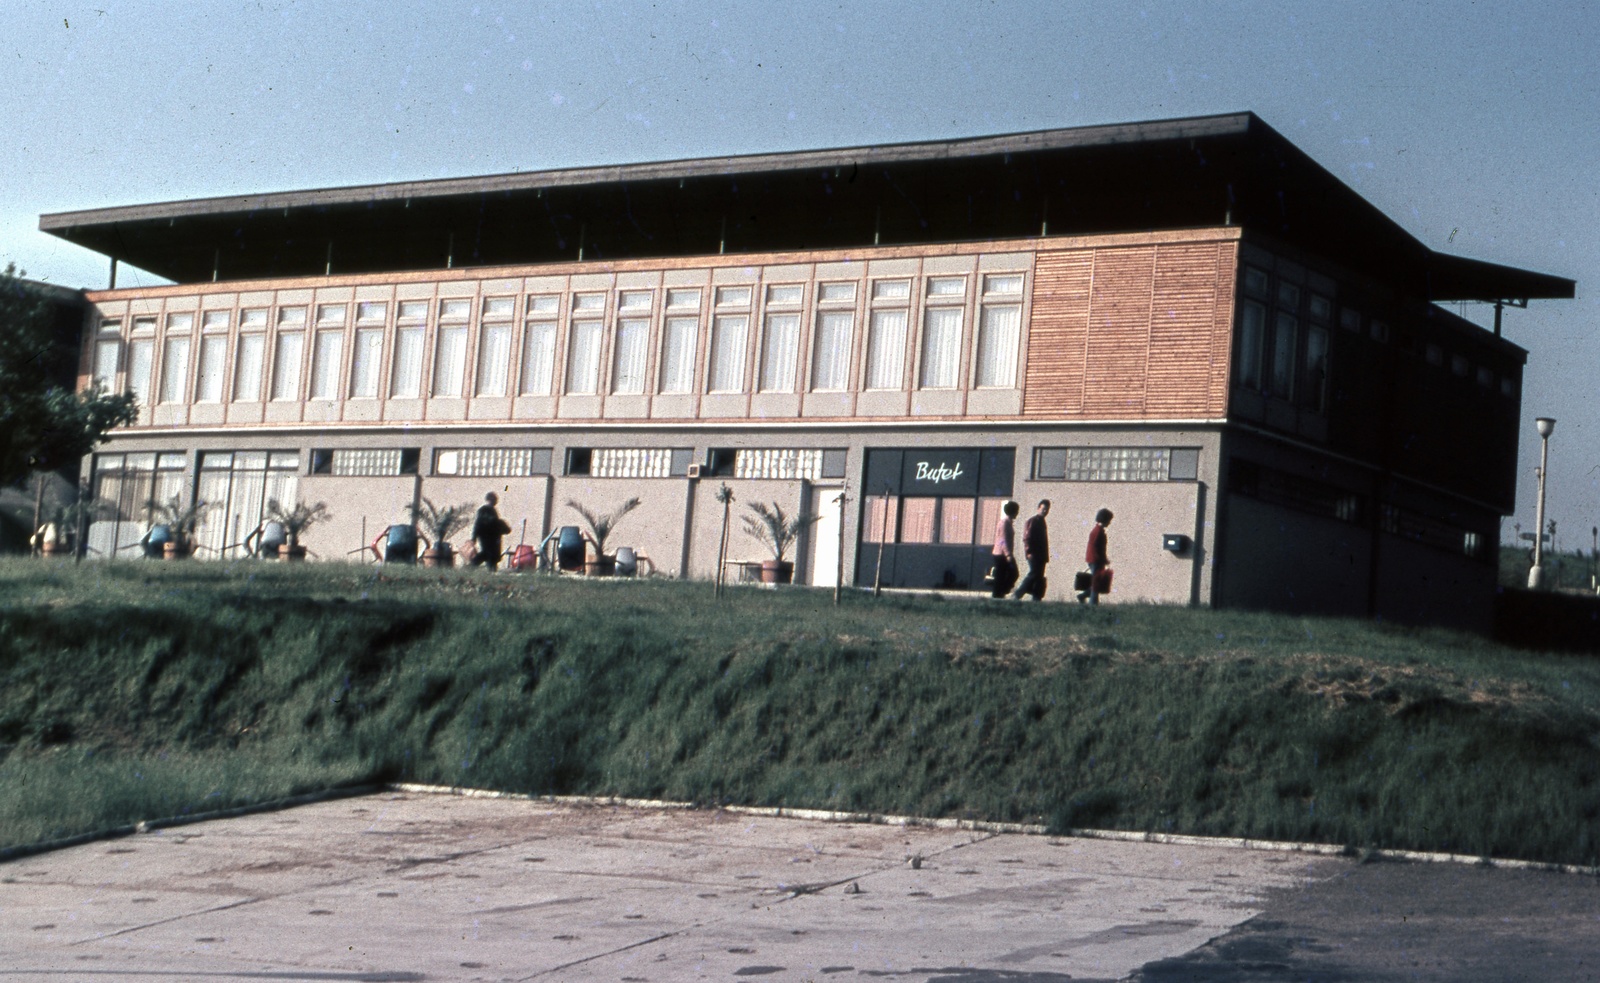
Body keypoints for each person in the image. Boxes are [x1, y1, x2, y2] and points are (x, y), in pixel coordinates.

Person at [1012, 499, 1052, 602]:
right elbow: (1027, 538)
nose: (1045, 511)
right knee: (1034, 573)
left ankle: (1036, 598)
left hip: (1041, 555)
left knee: (1039, 577)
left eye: (1046, 510)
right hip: (1034, 554)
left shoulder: (1042, 522)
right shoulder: (1033, 521)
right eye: (1043, 509)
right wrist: (1029, 552)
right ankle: (1018, 594)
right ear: (1038, 508)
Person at [1078, 507, 1114, 604]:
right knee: (1096, 584)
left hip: (1094, 560)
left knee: (1096, 582)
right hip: (1096, 561)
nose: (1109, 523)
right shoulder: (1098, 532)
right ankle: (1093, 604)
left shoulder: (1098, 530)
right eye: (1109, 520)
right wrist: (1102, 559)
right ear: (1105, 519)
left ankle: (1083, 596)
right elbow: (1095, 548)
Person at [471, 492, 512, 571]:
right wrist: (474, 538)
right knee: (487, 554)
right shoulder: (484, 510)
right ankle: (473, 565)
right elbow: (478, 524)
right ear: (490, 499)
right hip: (486, 537)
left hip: (493, 538)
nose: (496, 501)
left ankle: (487, 568)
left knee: (490, 555)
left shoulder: (492, 510)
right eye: (495, 499)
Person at [990, 500, 1020, 598]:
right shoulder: (1004, 523)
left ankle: (1001, 592)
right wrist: (1008, 555)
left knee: (1006, 574)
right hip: (1001, 554)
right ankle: (998, 594)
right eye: (1016, 511)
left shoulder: (1009, 522)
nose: (1017, 513)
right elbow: (1003, 540)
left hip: (1005, 554)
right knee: (1008, 574)